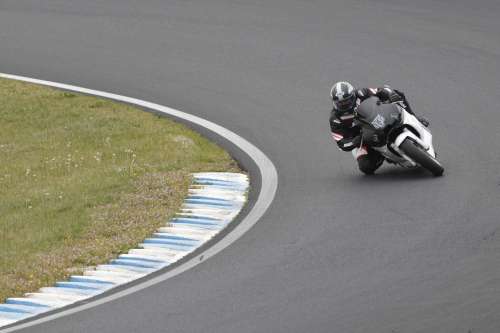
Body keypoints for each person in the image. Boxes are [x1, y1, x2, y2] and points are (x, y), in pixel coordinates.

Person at [329, 81, 429, 175]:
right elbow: (341, 142)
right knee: (366, 167)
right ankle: (380, 155)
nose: (344, 105)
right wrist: (355, 141)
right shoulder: (335, 119)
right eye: (340, 103)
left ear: (353, 96)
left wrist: (390, 94)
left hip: (378, 118)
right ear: (334, 103)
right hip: (362, 138)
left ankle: (414, 117)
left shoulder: (361, 93)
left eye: (346, 101)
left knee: (398, 94)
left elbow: (380, 90)